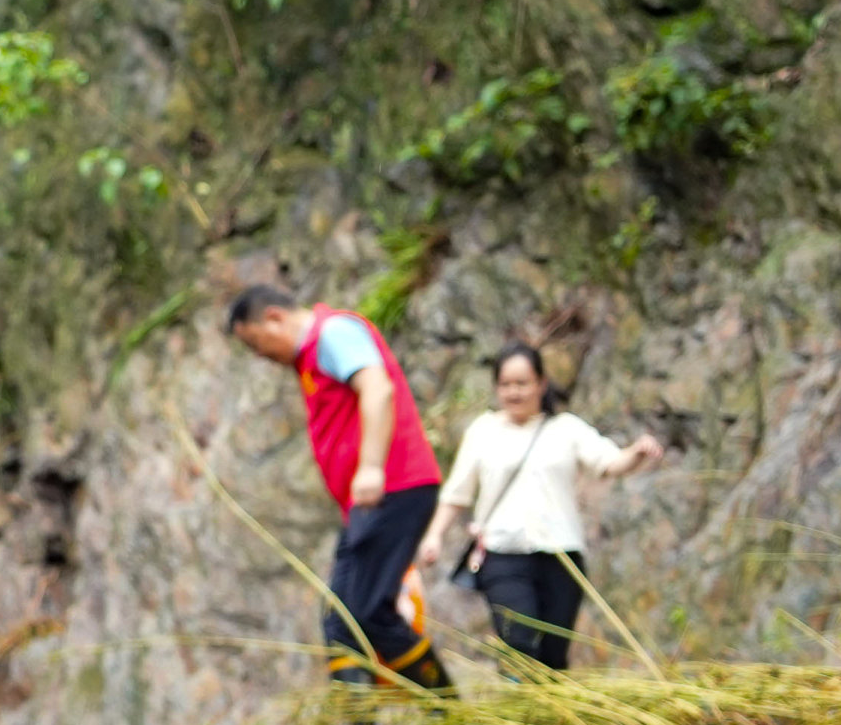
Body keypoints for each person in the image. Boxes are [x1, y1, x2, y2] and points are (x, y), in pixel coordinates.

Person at [226, 283, 448, 694]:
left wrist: (370, 468)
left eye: (258, 344)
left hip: (394, 487)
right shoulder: (312, 358)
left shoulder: (332, 334)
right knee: (342, 619)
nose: (262, 357)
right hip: (368, 501)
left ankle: (450, 712)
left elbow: (378, 389)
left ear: (274, 317)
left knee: (367, 611)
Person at [420, 345, 665, 671]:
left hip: (561, 556)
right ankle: (515, 702)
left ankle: (545, 718)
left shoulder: (566, 429)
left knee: (552, 657)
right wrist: (435, 535)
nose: (514, 392)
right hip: (503, 553)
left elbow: (608, 462)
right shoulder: (484, 430)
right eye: (506, 384)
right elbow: (457, 492)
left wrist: (636, 452)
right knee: (519, 642)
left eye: (522, 383)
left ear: (541, 384)